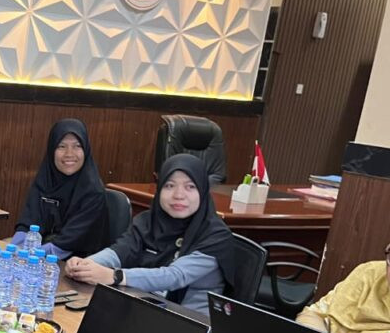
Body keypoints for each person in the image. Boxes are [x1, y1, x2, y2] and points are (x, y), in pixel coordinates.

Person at [64, 153, 234, 314]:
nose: (179, 195)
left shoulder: (215, 235)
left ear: (202, 191)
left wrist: (115, 276)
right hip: (146, 308)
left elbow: (175, 276)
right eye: (170, 185)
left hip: (192, 322)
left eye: (190, 187)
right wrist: (86, 264)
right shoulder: (149, 220)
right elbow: (120, 251)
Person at [12, 118, 108, 258]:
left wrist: (32, 255)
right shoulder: (45, 180)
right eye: (61, 146)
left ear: (85, 150)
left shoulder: (93, 192)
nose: (69, 154)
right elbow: (28, 222)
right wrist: (16, 248)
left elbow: (72, 241)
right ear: (52, 150)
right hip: (39, 255)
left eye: (77, 146)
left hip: (77, 261)